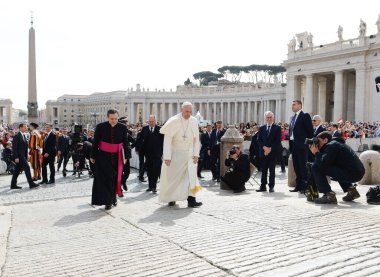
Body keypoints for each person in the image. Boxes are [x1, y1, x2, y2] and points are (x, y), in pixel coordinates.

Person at [159, 102, 202, 207]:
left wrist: (196, 154)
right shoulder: (173, 121)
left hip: (190, 154)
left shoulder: (194, 121)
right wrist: (167, 157)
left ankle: (191, 200)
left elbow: (196, 139)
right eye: (186, 111)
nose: (188, 114)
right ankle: (171, 198)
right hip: (176, 154)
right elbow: (167, 140)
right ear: (181, 109)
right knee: (174, 178)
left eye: (190, 112)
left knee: (191, 177)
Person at [309, 131, 365, 204]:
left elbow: (322, 165)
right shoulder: (336, 144)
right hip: (357, 172)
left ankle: (328, 195)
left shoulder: (331, 146)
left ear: (325, 140)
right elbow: (326, 161)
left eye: (318, 141)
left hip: (352, 174)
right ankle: (352, 191)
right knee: (334, 165)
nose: (317, 143)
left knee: (316, 167)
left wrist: (316, 152)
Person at [91, 109, 129, 210]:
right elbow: (95, 142)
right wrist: (93, 156)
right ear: (107, 117)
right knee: (106, 179)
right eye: (112, 119)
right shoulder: (100, 127)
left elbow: (126, 142)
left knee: (115, 178)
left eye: (116, 118)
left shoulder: (123, 127)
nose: (114, 121)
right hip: (103, 156)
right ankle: (108, 201)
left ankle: (113, 199)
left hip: (117, 157)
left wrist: (127, 156)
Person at [288, 100, 314, 194]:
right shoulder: (293, 117)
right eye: (292, 104)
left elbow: (310, 131)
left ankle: (305, 187)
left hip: (302, 146)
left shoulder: (305, 116)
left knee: (303, 167)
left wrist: (307, 143)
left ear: (300, 105)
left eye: (294, 104)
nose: (292, 106)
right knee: (296, 167)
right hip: (293, 145)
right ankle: (298, 186)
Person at [136, 115, 164, 194]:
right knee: (149, 171)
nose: (151, 123)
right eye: (150, 121)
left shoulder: (160, 129)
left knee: (156, 170)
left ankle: (154, 187)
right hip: (148, 154)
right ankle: (150, 186)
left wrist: (162, 152)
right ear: (148, 122)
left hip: (157, 155)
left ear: (155, 121)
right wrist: (134, 147)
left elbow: (163, 142)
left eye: (153, 121)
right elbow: (140, 139)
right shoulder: (144, 129)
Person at [257, 111, 282, 192]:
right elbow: (259, 140)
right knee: (263, 170)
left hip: (273, 153)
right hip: (263, 152)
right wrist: (264, 148)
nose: (269, 119)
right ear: (265, 118)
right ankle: (263, 186)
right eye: (267, 117)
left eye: (270, 117)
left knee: (272, 170)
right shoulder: (261, 128)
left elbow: (277, 141)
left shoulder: (277, 128)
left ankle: (271, 186)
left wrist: (270, 149)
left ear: (273, 118)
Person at [10, 123, 40, 190]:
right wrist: (16, 157)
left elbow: (25, 147)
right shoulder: (17, 135)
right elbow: (14, 148)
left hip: (23, 156)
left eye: (26, 127)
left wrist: (27, 156)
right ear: (20, 127)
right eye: (25, 127)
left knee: (17, 170)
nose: (26, 128)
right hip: (19, 157)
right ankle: (31, 184)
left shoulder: (24, 135)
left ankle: (13, 184)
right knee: (27, 168)